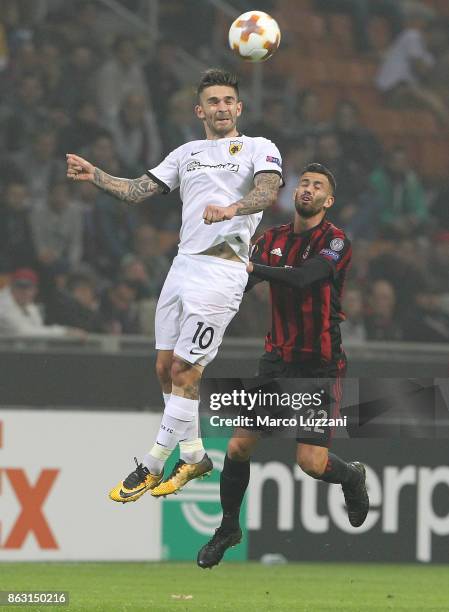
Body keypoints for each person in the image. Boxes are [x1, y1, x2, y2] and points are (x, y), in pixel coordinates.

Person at [66, 69, 283, 501]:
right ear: (199, 110)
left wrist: (232, 209)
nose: (221, 108)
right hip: (182, 267)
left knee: (188, 370)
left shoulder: (260, 148)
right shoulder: (186, 153)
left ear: (239, 107)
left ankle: (151, 462)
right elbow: (135, 191)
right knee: (166, 369)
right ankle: (194, 454)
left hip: (222, 272)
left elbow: (269, 191)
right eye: (213, 102)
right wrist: (96, 175)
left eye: (228, 101)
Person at [197, 163, 369, 569]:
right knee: (239, 445)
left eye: (318, 186)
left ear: (328, 201)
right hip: (277, 360)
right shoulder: (270, 239)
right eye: (304, 183)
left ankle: (352, 477)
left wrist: (252, 268)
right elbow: (241, 281)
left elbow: (306, 278)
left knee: (310, 464)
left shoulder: (337, 242)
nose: (308, 189)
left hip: (319, 364)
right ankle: (228, 528)